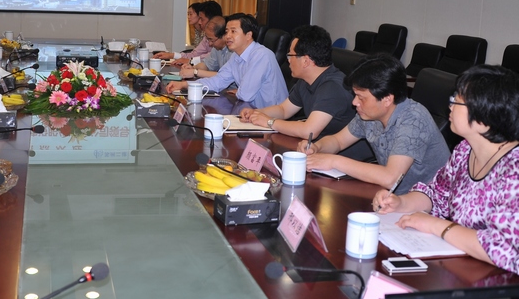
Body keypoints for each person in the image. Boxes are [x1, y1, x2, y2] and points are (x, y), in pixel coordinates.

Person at [373, 65, 519, 273]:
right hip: (463, 264)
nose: (450, 106)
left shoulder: (514, 170)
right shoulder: (464, 150)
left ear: (485, 116)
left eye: (456, 101)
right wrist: (400, 202)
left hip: (499, 278)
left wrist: (437, 226)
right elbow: (437, 194)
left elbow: (505, 250)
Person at [302, 53, 450, 193]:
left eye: (361, 98)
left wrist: (334, 161)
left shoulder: (413, 120)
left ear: (387, 99)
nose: (354, 102)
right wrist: (317, 147)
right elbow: (338, 141)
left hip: (430, 204)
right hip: (391, 198)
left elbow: (391, 178)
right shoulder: (369, 114)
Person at [239, 25, 373, 160]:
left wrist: (269, 122)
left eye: (290, 55)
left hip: (344, 156)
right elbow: (284, 110)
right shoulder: (305, 80)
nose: (288, 60)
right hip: (317, 148)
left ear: (305, 61)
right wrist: (256, 113)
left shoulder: (333, 87)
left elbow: (309, 131)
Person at [166, 13, 287, 107]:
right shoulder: (236, 56)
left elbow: (245, 95)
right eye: (226, 31)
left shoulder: (261, 55)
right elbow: (217, 81)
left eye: (233, 31)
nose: (228, 36)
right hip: (251, 112)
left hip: (271, 119)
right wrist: (183, 85)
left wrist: (239, 91)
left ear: (248, 35)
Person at [154, 1, 222, 64]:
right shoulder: (206, 37)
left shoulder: (221, 37)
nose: (199, 22)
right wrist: (171, 55)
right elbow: (194, 54)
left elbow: (212, 57)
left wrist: (191, 61)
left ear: (213, 20)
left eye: (201, 19)